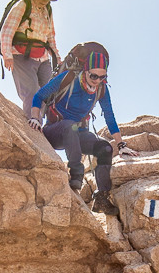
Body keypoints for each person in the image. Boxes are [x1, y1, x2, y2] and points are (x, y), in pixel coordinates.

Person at [28, 42, 133, 216]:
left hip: (77, 133)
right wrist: (34, 117)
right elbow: (39, 96)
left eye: (102, 77)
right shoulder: (68, 78)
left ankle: (102, 198)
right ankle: (76, 175)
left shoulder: (102, 89)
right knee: (70, 127)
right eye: (94, 76)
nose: (97, 81)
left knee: (105, 148)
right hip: (55, 131)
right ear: (85, 70)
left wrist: (121, 145)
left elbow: (110, 116)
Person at [0, 0, 61, 111]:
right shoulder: (23, 5)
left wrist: (57, 58)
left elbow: (50, 37)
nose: (44, 1)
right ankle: (32, 125)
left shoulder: (48, 10)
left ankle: (39, 124)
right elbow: (7, 29)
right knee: (31, 92)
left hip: (43, 57)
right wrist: (7, 54)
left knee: (49, 92)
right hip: (21, 55)